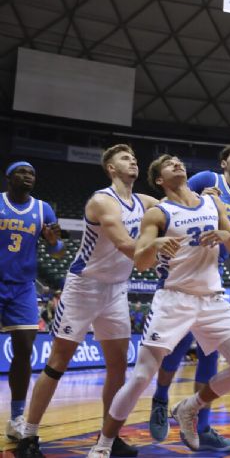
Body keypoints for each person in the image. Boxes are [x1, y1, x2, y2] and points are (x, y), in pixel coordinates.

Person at [86, 155, 230, 457]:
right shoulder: (158, 214)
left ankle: (190, 407)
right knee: (140, 378)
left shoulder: (211, 203)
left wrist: (225, 234)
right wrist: (154, 245)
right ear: (159, 180)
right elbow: (141, 261)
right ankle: (104, 444)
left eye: (179, 162)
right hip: (174, 298)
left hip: (212, 298)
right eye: (168, 164)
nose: (177, 164)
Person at [16, 146, 160, 457]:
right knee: (58, 363)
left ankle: (110, 436)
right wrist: (158, 248)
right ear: (111, 168)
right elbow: (125, 245)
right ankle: (28, 436)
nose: (133, 160)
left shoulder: (146, 202)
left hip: (116, 290)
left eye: (135, 156)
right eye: (125, 158)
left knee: (119, 368)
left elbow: (177, 210)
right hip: (84, 288)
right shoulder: (101, 201)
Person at [147, 142, 230, 451]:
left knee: (211, 355)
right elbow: (167, 204)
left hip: (211, 274)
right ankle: (160, 396)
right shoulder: (207, 180)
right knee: (177, 345)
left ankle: (201, 424)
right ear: (223, 163)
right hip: (181, 271)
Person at [1, 161, 63, 444]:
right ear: (8, 178)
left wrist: (53, 242)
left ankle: (16, 418)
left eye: (32, 173)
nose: (28, 176)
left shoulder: (43, 209)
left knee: (25, 346)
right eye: (22, 172)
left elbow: (58, 252)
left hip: (23, 287)